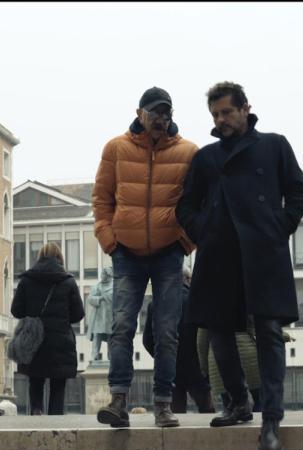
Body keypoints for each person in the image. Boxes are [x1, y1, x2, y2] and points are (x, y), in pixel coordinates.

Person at [176, 81, 303, 450]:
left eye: (226, 112)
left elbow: (299, 192)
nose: (221, 120)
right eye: (215, 115)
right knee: (218, 330)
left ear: (245, 108)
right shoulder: (206, 158)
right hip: (219, 254)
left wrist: (277, 227)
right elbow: (185, 206)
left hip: (262, 253)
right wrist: (204, 230)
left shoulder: (274, 145)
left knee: (268, 330)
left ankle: (271, 419)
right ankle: (238, 402)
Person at [92, 86, 199, 428]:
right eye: (154, 113)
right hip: (127, 253)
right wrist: (109, 240)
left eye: (166, 114)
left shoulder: (188, 152)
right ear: (139, 113)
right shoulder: (116, 148)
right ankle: (119, 400)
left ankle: (163, 405)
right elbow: (101, 199)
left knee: (167, 331)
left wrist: (186, 242)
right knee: (122, 327)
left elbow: (199, 202)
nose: (160, 120)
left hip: (169, 253)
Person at [11, 243, 85, 415]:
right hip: (60, 341)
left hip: (33, 341)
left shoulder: (26, 280)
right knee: (58, 384)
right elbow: (78, 314)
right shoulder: (68, 281)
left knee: (35, 380)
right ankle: (55, 420)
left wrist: (32, 315)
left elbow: (16, 310)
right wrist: (62, 320)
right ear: (60, 258)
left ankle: (36, 413)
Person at [142, 268, 214, 413]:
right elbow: (207, 336)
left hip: (170, 368)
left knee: (175, 415)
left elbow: (147, 340)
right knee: (207, 412)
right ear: (188, 279)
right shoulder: (198, 301)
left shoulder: (155, 304)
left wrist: (162, 356)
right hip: (197, 367)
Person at [85, 266, 114, 361]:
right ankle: (94, 356)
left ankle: (111, 357)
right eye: (101, 274)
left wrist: (105, 297)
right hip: (98, 317)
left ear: (108, 275)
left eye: (103, 274)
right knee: (97, 336)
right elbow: (90, 299)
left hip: (109, 317)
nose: (101, 276)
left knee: (111, 337)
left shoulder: (114, 287)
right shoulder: (97, 286)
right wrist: (99, 298)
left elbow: (116, 300)